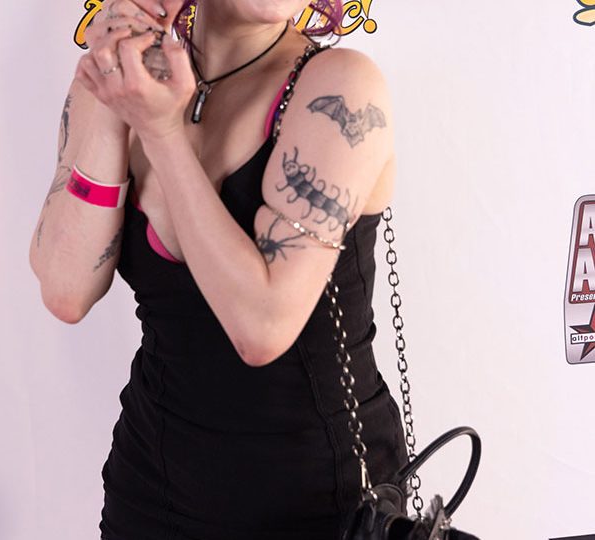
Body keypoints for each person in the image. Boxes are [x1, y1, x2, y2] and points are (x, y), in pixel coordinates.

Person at [28, 0, 406, 538]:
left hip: (321, 503)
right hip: (153, 489)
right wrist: (117, 103)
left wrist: (162, 133)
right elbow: (67, 291)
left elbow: (261, 329)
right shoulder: (123, 80)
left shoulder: (341, 89)